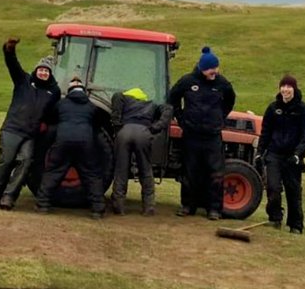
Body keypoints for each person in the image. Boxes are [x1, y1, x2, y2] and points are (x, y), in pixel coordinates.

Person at [0, 37, 61, 209]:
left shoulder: (53, 91)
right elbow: (12, 64)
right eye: (41, 70)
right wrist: (9, 49)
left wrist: (45, 124)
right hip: (12, 129)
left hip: (30, 134)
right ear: (36, 70)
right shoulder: (23, 81)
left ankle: (9, 196)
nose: (43, 73)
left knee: (26, 162)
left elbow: (52, 112)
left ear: (50, 74)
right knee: (6, 162)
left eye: (47, 71)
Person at [167, 46, 236, 220]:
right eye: (211, 69)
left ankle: (214, 209)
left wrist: (220, 117)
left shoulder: (222, 84)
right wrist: (181, 119)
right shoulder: (188, 81)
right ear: (202, 68)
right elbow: (173, 97)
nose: (214, 72)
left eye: (216, 68)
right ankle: (187, 206)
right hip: (191, 135)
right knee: (190, 172)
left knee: (215, 173)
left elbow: (230, 100)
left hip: (212, 136)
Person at [35, 76, 108, 219]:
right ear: (84, 91)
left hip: (63, 141)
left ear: (69, 90)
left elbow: (51, 118)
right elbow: (98, 125)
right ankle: (97, 210)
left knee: (54, 171)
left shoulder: (61, 104)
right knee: (91, 174)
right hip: (85, 143)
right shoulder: (91, 106)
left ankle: (42, 204)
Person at [258, 73, 305, 233]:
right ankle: (275, 217)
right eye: (283, 86)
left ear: (294, 89)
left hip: (292, 157)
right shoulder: (273, 108)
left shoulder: (303, 110)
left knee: (293, 191)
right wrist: (260, 152)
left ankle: (295, 225)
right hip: (274, 154)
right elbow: (265, 132)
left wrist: (298, 154)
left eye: (289, 86)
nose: (285, 89)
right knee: (273, 188)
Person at [109, 87, 170, 215]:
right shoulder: (151, 104)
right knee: (146, 169)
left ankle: (118, 206)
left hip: (124, 132)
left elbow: (116, 97)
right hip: (143, 133)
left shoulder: (124, 99)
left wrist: (117, 125)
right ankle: (149, 206)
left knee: (121, 169)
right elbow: (168, 109)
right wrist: (155, 128)